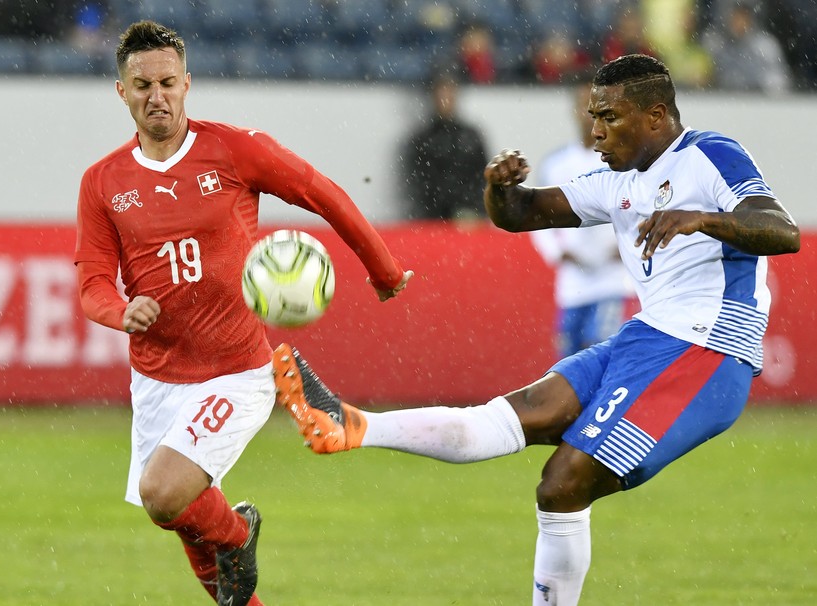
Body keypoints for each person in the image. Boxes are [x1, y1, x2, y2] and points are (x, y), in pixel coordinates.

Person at [272, 54, 800, 605]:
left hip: (707, 352)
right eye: (593, 115)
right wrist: (500, 189)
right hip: (645, 340)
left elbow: (782, 231)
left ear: (655, 115)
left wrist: (702, 219)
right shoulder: (615, 179)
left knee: (562, 484)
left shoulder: (710, 155)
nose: (594, 131)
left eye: (609, 117)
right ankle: (352, 426)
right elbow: (522, 214)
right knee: (513, 417)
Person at [74, 20, 412, 606]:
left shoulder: (233, 149)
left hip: (236, 369)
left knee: (164, 493)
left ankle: (241, 531)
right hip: (156, 377)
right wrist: (119, 310)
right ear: (121, 91)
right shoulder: (102, 183)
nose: (157, 96)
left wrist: (381, 269)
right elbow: (92, 280)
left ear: (187, 84)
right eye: (142, 85)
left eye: (168, 82)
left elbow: (320, 191)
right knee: (180, 519)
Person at [530, 81, 633, 358]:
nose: (589, 115)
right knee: (568, 359)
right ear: (574, 111)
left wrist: (628, 246)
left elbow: (643, 208)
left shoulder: (623, 161)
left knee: (600, 352)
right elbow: (537, 217)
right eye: (584, 106)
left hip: (613, 278)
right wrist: (558, 252)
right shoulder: (557, 163)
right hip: (573, 281)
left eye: (598, 109)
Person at [400, 71, 489, 221]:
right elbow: (418, 186)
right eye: (440, 93)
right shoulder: (422, 139)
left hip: (469, 219)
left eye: (449, 93)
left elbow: (484, 178)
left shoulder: (471, 136)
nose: (444, 99)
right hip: (433, 220)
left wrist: (473, 210)